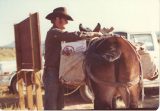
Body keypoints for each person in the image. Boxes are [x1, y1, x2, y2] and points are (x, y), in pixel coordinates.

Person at [43, 7, 101, 110]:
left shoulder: (57, 34)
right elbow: (70, 36)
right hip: (51, 72)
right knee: (51, 105)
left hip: (58, 72)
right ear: (57, 19)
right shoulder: (53, 33)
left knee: (59, 104)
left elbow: (71, 41)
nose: (66, 23)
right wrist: (93, 34)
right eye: (65, 20)